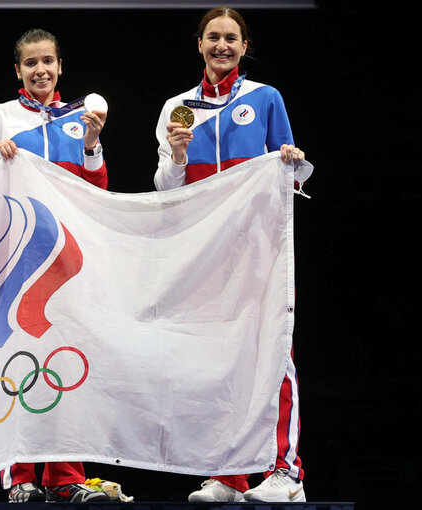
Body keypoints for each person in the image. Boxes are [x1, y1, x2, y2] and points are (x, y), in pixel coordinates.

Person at [153, 6, 311, 504]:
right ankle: (230, 474)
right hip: (204, 252)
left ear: (244, 47)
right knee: (215, 361)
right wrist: (178, 154)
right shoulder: (176, 108)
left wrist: (294, 161)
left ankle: (287, 473)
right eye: (213, 37)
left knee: (272, 351)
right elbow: (165, 188)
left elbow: (297, 176)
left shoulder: (264, 98)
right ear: (198, 43)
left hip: (259, 248)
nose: (222, 46)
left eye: (231, 39)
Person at [0, 28, 110, 504]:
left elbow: (98, 193)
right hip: (17, 263)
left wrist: (92, 143)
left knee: (69, 364)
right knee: (16, 363)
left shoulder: (80, 117)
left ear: (61, 66)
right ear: (18, 71)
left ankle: (66, 476)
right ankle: (20, 476)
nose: (40, 70)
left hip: (69, 265)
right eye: (31, 63)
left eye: (48, 61)